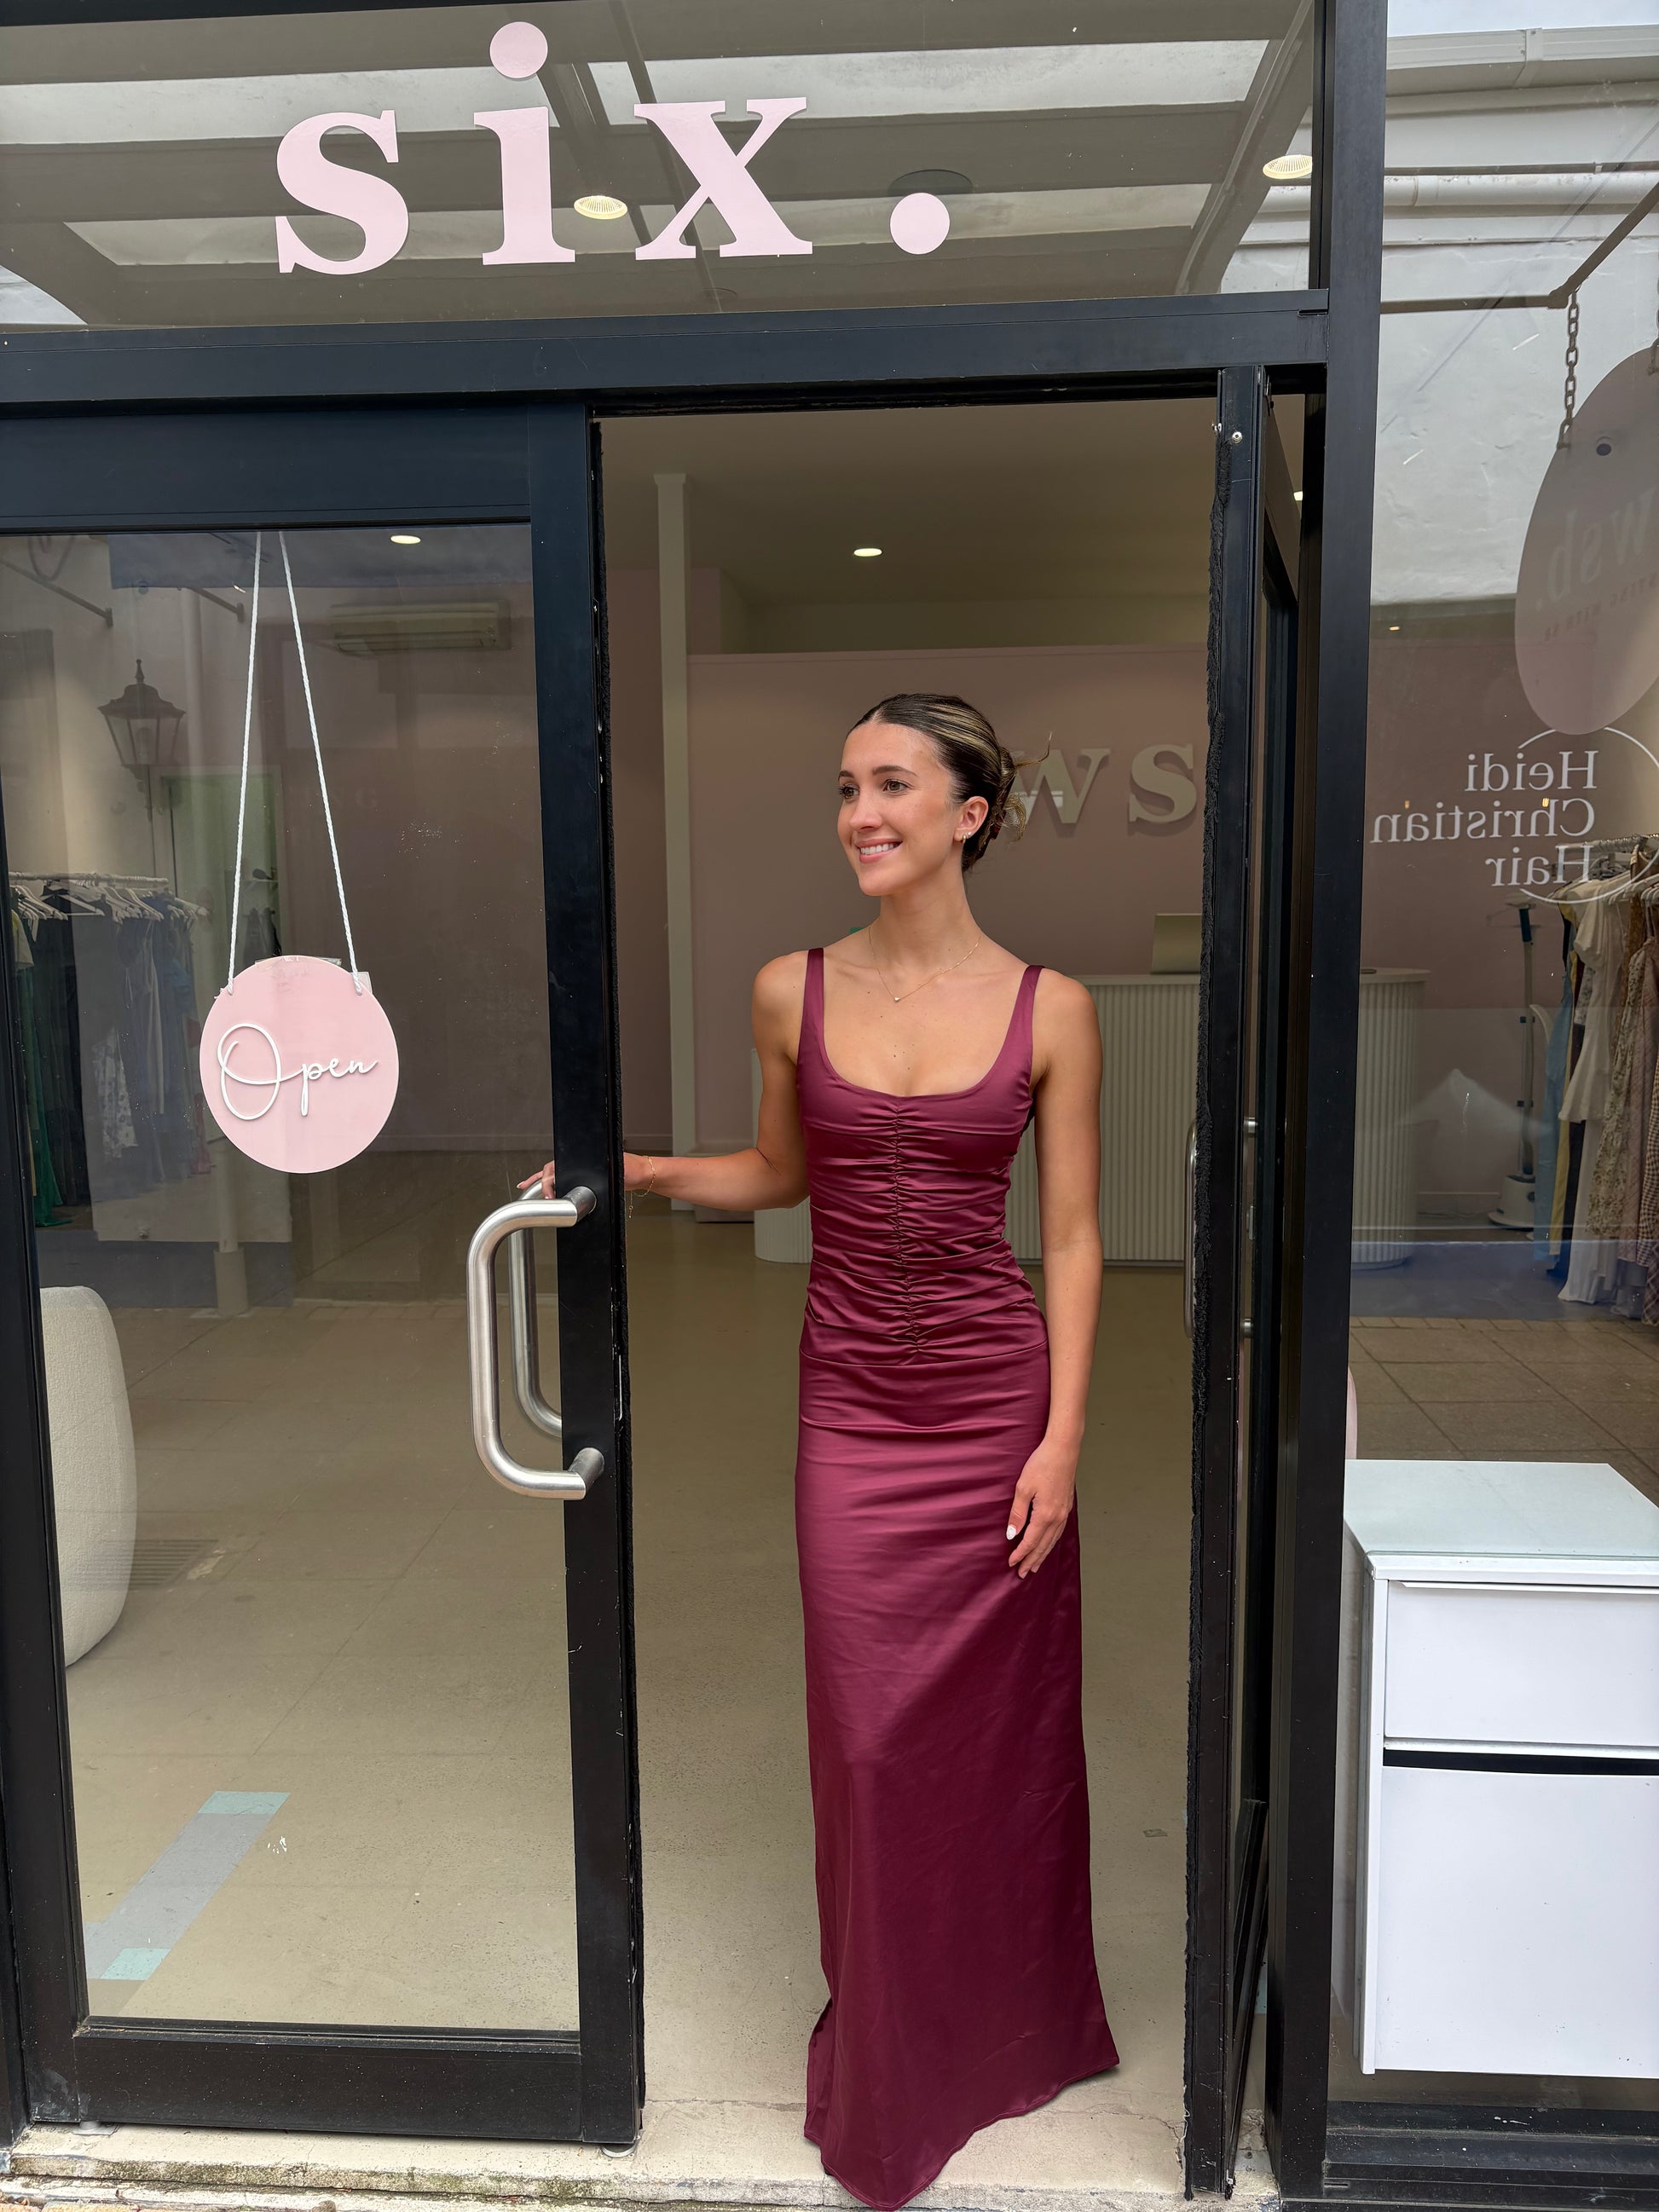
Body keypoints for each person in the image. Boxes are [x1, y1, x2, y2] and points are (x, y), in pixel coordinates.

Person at [523, 692, 1117, 2208]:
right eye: (847, 786)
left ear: (967, 815)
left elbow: (1070, 1238)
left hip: (993, 1406)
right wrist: (642, 1169)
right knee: (865, 1746)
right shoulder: (788, 989)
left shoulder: (1051, 1007)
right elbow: (782, 1174)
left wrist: (1060, 1437)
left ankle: (1009, 2027)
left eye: (892, 785)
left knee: (998, 1739)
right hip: (851, 1410)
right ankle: (893, 2061)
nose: (860, 813)